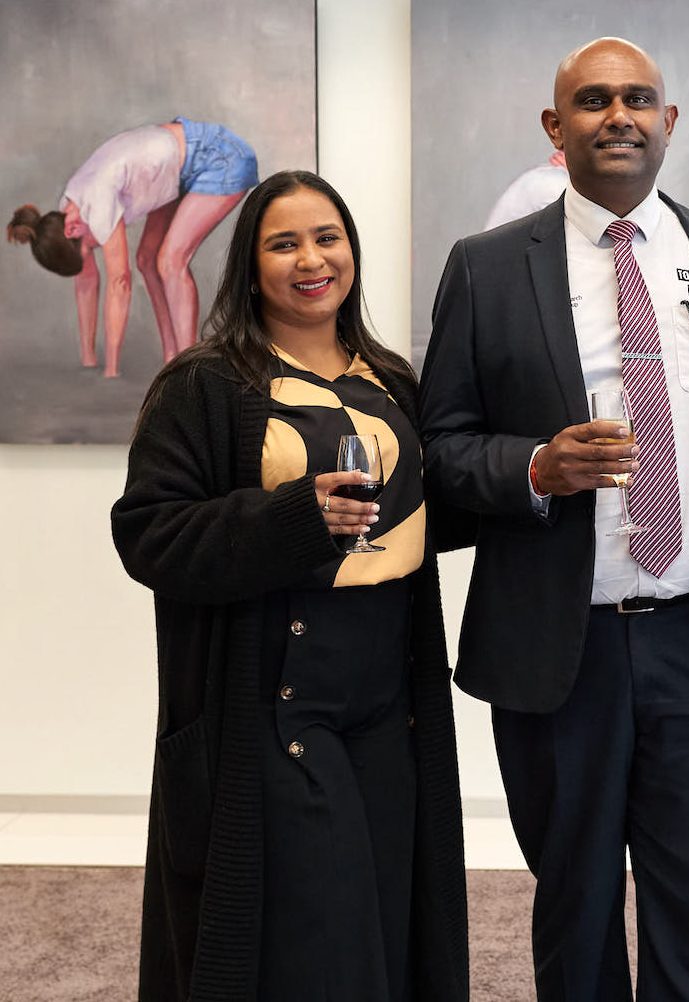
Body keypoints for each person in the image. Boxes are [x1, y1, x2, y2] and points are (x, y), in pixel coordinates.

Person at [418, 37, 689, 1001]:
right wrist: (538, 467)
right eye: (593, 101)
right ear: (557, 130)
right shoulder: (485, 269)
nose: (619, 116)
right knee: (576, 912)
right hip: (562, 654)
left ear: (669, 123)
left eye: (639, 98)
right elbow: (437, 451)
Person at [111, 170, 468, 1001]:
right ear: (250, 265)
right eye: (284, 243)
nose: (312, 259)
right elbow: (148, 534)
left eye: (327, 238)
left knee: (387, 916)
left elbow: (427, 513)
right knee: (318, 937)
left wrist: (534, 477)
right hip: (272, 703)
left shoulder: (393, 380)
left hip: (391, 704)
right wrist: (291, 519)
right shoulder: (205, 384)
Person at [7, 118, 258, 377]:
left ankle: (190, 367)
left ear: (72, 231)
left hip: (219, 157)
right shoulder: (67, 211)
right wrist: (88, 358)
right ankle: (173, 357)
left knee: (170, 261)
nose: (96, 250)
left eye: (88, 251)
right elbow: (86, 282)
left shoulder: (96, 201)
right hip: (178, 170)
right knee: (147, 260)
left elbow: (119, 282)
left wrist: (112, 368)